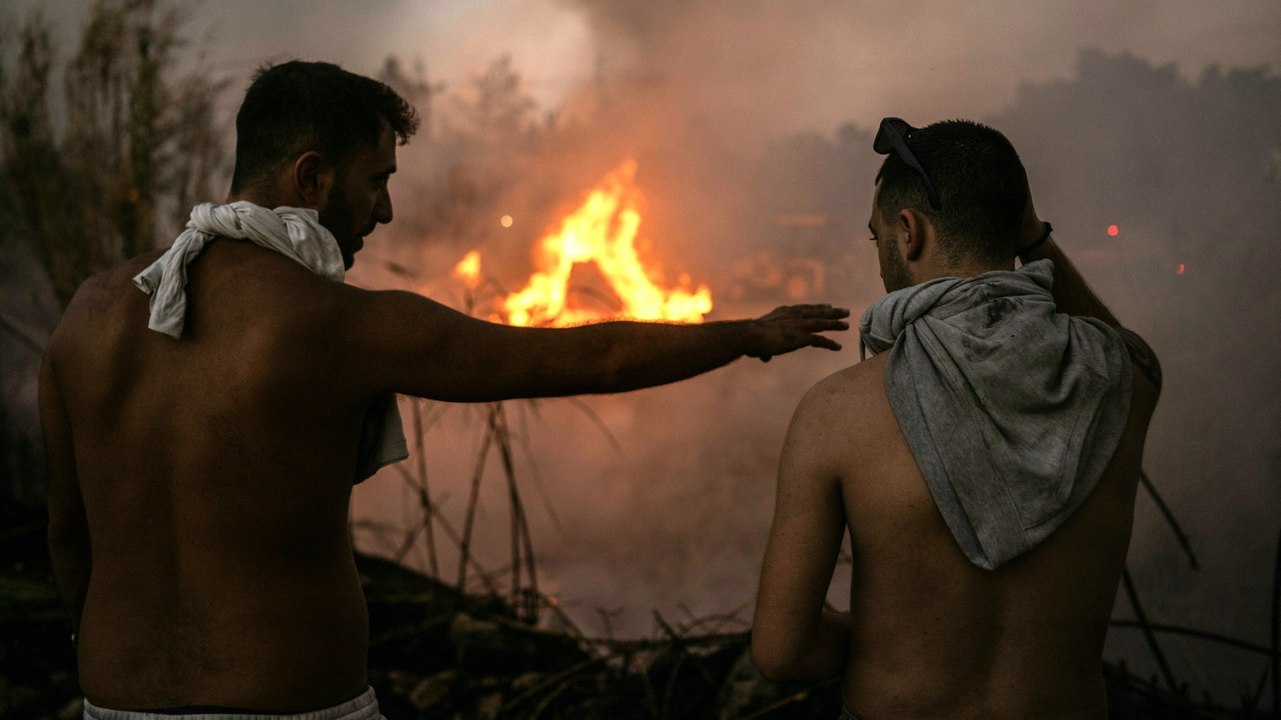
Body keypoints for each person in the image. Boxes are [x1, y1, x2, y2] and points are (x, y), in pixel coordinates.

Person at [39, 60, 849, 718]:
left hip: (113, 706)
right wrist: (745, 335)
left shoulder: (88, 319)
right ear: (312, 177)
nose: (385, 210)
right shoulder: (334, 325)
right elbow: (591, 361)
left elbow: (70, 538)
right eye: (375, 180)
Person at [751, 118, 1162, 719]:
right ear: (1016, 227)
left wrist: (890, 643)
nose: (880, 258)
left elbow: (781, 654)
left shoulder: (834, 414)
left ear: (908, 232)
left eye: (878, 239)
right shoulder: (1123, 381)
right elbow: (1118, 341)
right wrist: (1032, 235)